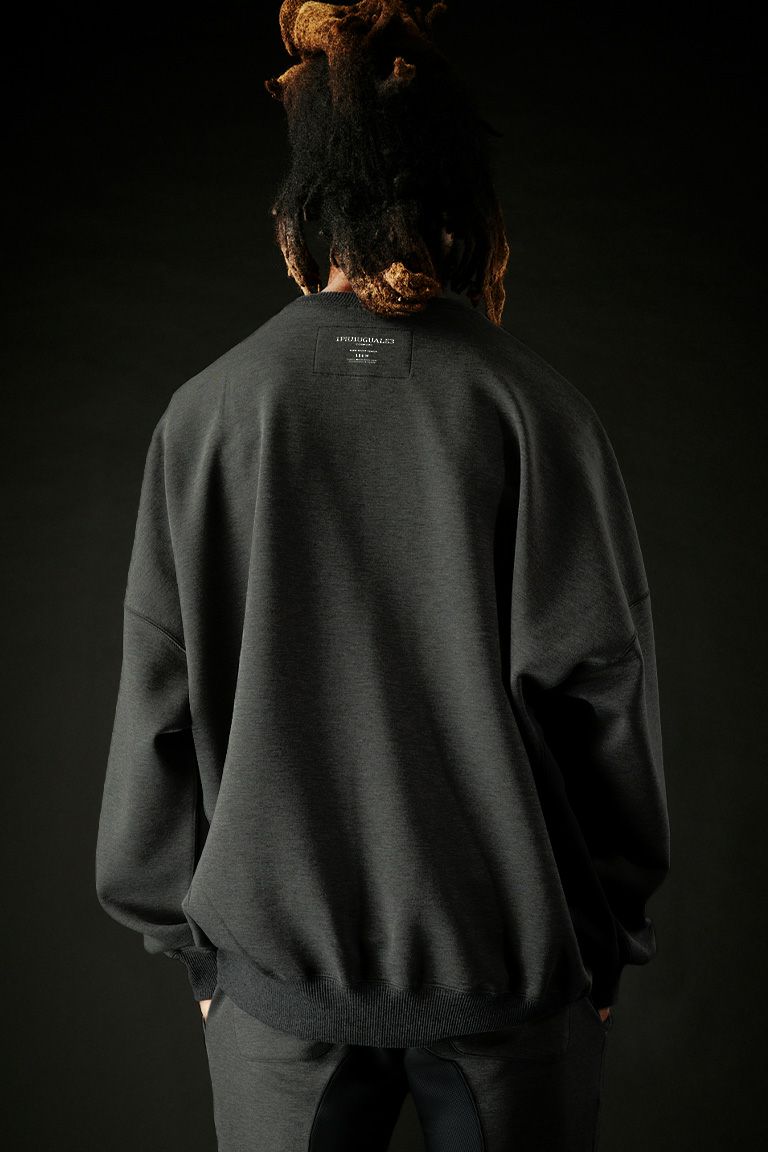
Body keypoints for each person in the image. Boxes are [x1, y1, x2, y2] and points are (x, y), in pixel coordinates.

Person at [95, 2, 671, 1149]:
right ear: (463, 216)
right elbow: (603, 697)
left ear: (298, 219)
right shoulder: (537, 411)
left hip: (276, 998)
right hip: (511, 985)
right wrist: (607, 940)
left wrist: (191, 947)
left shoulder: (208, 417)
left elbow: (158, 702)